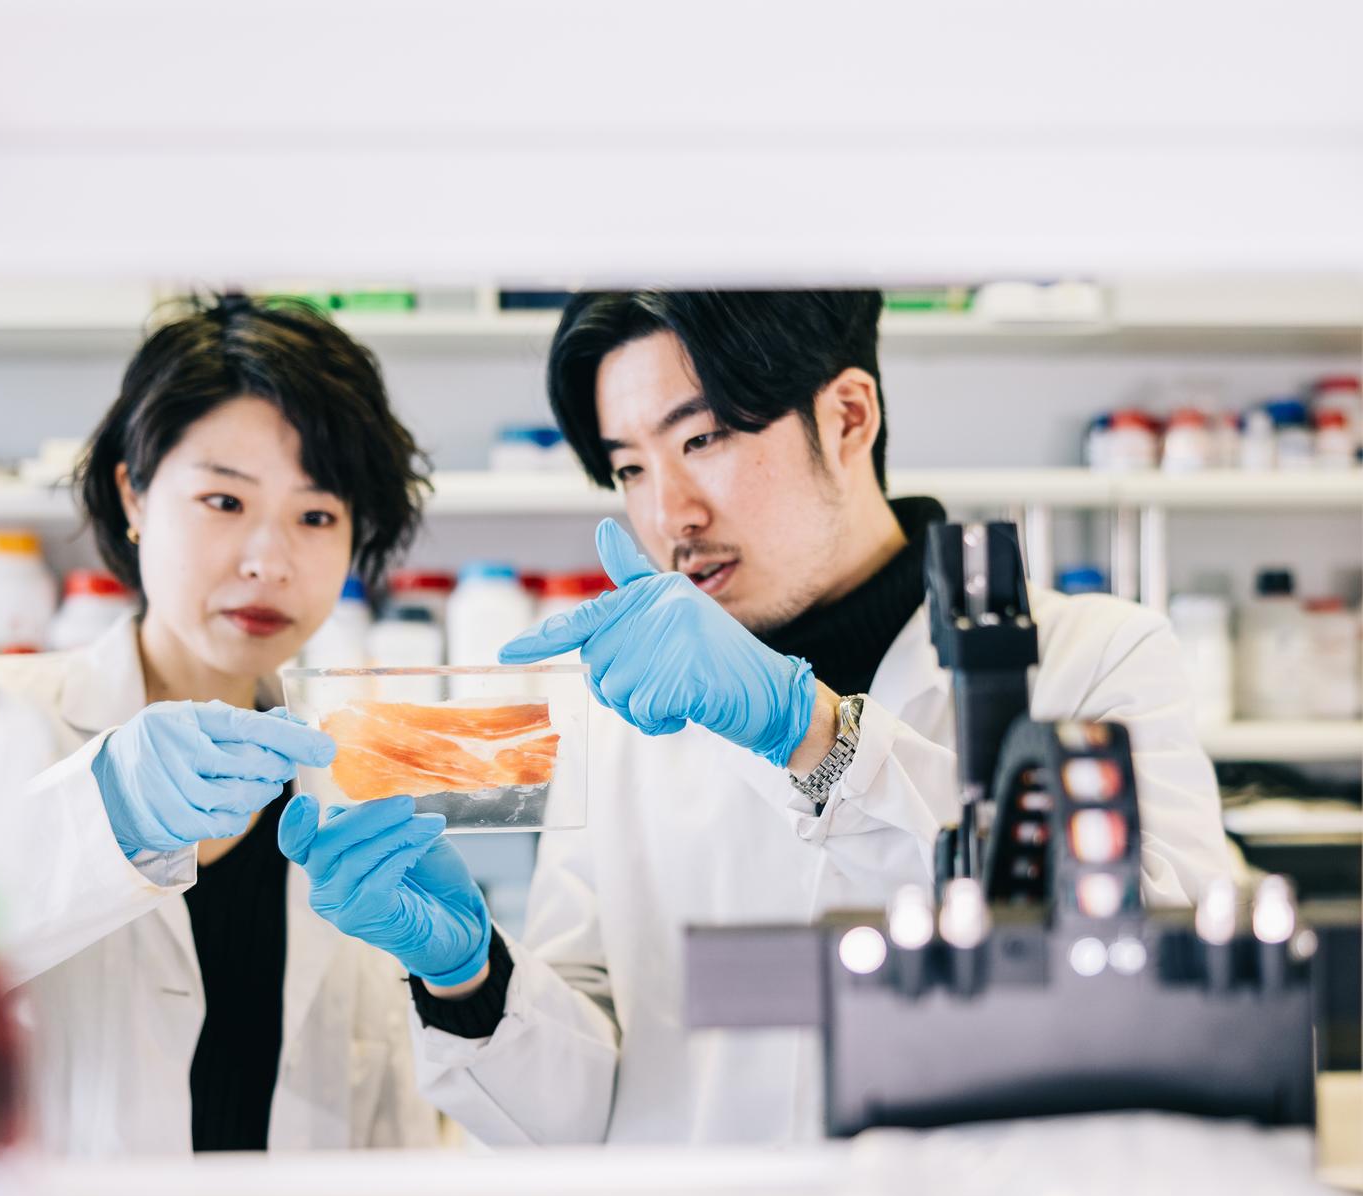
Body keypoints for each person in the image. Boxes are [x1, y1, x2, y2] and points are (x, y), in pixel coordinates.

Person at [280, 289, 1233, 1145]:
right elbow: (588, 1106)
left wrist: (818, 737)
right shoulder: (626, 722)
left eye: (702, 441)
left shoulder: (1093, 660)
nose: (670, 515)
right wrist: (471, 979)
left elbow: (1188, 997)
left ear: (847, 414)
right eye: (629, 469)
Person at [0, 293, 441, 1156]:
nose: (269, 560)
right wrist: (111, 814)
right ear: (133, 495)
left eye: (317, 516)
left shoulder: (356, 775)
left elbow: (389, 1127)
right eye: (225, 501)